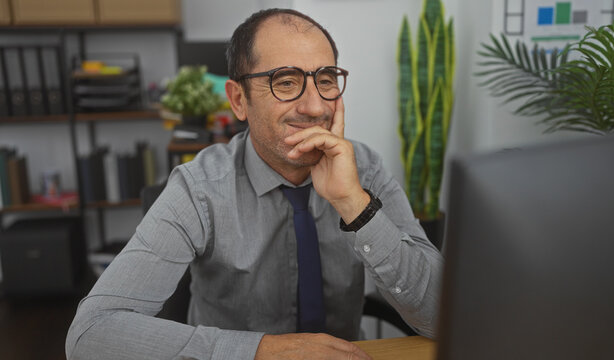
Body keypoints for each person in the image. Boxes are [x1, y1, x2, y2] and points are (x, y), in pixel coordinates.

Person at [66, 8, 443, 360]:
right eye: (286, 81)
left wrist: (355, 205)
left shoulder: (366, 170)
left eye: (325, 80)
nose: (314, 107)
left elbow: (441, 314)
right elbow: (91, 334)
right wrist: (262, 351)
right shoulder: (199, 188)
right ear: (238, 100)